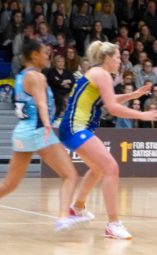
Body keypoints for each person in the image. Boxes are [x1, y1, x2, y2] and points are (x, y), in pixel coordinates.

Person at [58, 41, 157, 240]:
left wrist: (133, 94)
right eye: (117, 57)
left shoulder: (97, 73)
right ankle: (113, 224)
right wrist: (141, 115)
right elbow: (112, 108)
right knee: (111, 168)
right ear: (107, 58)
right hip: (75, 128)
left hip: (74, 128)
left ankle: (77, 208)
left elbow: (109, 100)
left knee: (99, 169)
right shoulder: (101, 74)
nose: (120, 61)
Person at [1, 40, 88, 231]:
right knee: (70, 175)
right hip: (38, 130)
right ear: (34, 55)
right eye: (45, 53)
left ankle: (64, 216)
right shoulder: (37, 77)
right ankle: (63, 217)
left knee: (9, 184)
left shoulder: (20, 76)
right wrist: (48, 123)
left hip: (22, 131)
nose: (48, 56)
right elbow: (41, 103)